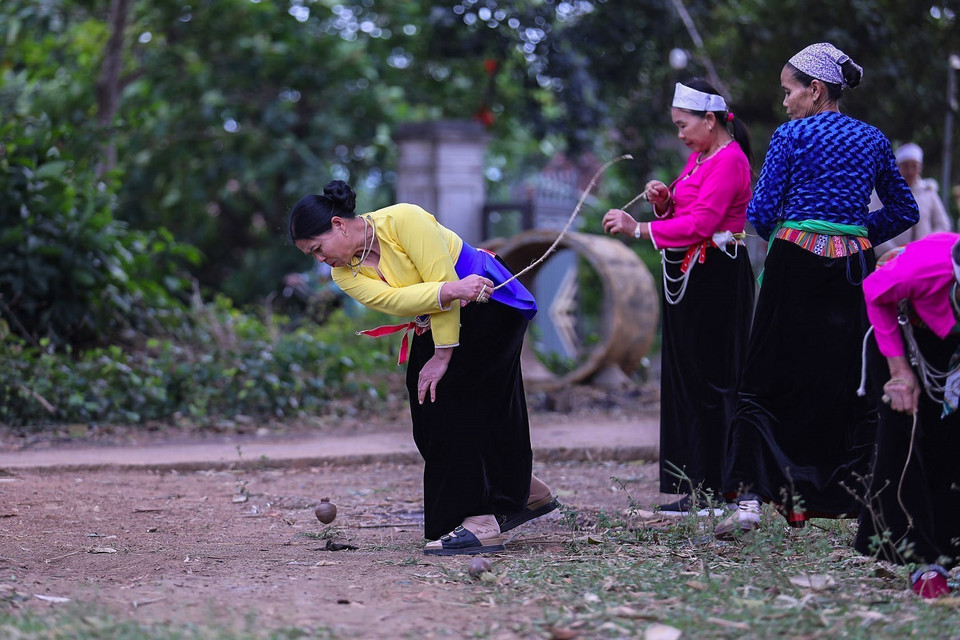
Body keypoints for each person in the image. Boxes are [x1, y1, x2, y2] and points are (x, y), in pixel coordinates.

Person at [288, 180, 558, 555]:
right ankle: (524, 491)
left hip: (491, 302)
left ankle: (478, 521)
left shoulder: (404, 219)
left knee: (453, 404)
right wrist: (445, 303)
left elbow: (443, 279)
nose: (319, 259)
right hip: (441, 312)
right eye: (310, 255)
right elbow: (398, 300)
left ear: (338, 224)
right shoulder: (344, 273)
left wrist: (443, 354)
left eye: (317, 248)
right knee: (428, 406)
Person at [716, 42, 919, 539]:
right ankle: (860, 499)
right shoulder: (872, 139)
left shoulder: (790, 137)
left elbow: (761, 216)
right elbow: (904, 210)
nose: (784, 102)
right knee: (847, 380)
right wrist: (855, 232)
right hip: (851, 270)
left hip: (793, 267)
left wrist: (801, 230)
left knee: (764, 376)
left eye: (789, 91)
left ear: (815, 90)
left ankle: (747, 499)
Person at [601, 79, 755, 515]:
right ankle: (700, 484)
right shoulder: (699, 158)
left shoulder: (730, 162)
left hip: (717, 275)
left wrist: (640, 228)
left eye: (683, 124)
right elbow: (687, 214)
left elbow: (704, 226)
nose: (680, 134)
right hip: (693, 275)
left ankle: (725, 486)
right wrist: (665, 202)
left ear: (710, 120)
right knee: (689, 378)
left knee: (714, 379)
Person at [853, 232, 960, 599]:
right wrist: (899, 372)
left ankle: (948, 553)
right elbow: (874, 293)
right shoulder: (926, 268)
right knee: (908, 437)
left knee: (952, 447)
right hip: (902, 340)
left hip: (952, 355)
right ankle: (922, 559)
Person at [874, 142, 952, 255]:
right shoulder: (883, 192)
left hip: (924, 255)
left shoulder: (928, 192)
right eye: (905, 166)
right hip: (890, 259)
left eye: (914, 166)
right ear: (897, 167)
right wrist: (896, 252)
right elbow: (876, 228)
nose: (910, 171)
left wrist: (928, 244)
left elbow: (942, 224)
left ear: (920, 168)